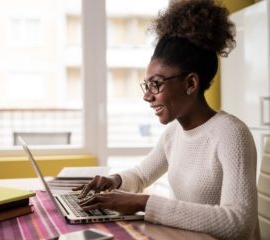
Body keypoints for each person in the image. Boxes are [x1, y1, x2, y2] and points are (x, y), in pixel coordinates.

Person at [73, 1, 260, 239]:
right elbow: (141, 175)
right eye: (147, 84)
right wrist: (114, 181)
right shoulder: (174, 133)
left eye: (156, 84)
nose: (147, 95)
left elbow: (238, 222)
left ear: (190, 83)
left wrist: (142, 203)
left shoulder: (231, 134)